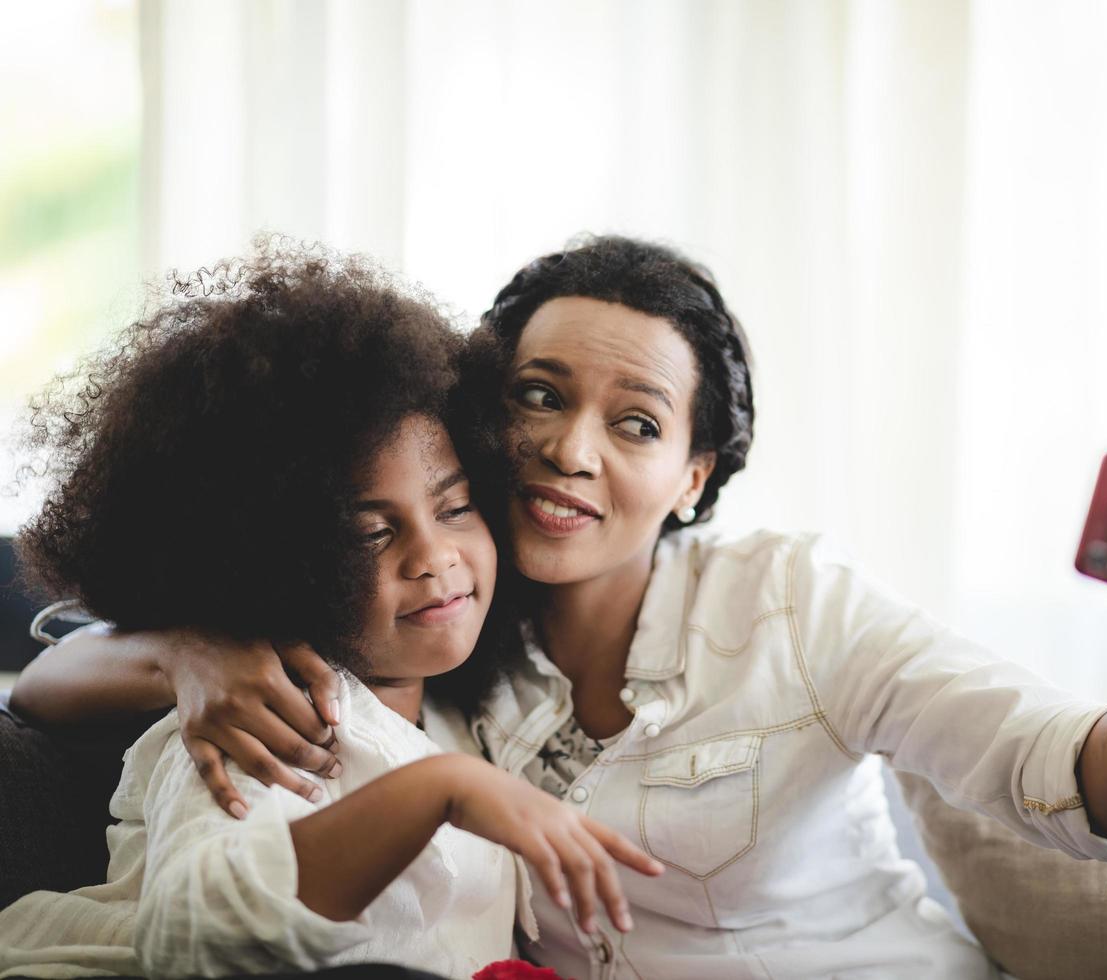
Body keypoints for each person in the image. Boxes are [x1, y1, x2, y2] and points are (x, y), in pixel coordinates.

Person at [15, 236, 1107, 978]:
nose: (572, 448)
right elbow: (52, 679)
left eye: (634, 424)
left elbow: (1067, 781)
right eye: (536, 395)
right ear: (476, 407)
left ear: (691, 477)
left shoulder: (789, 599)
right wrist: (197, 646)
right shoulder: (431, 619)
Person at [0, 244, 659, 979]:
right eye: (371, 533)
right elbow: (191, 938)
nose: (433, 556)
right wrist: (439, 793)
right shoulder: (270, 722)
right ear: (274, 563)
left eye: (456, 507)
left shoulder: (455, 722)